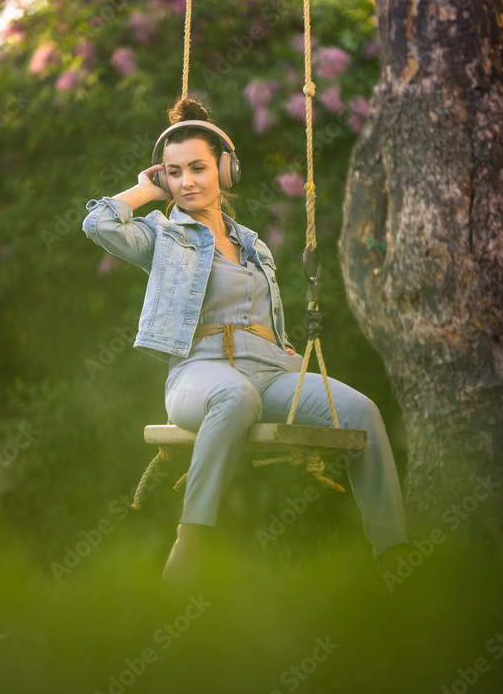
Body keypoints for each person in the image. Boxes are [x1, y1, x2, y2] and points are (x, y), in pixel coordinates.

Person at [82, 96, 410, 582]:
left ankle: (395, 555)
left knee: (362, 412)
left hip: (272, 371)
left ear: (225, 171)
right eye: (174, 172)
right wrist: (143, 191)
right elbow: (99, 223)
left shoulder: (253, 244)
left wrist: (284, 349)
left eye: (197, 167)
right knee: (234, 396)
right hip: (200, 373)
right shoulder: (163, 236)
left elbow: (262, 314)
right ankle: (191, 538)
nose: (186, 181)